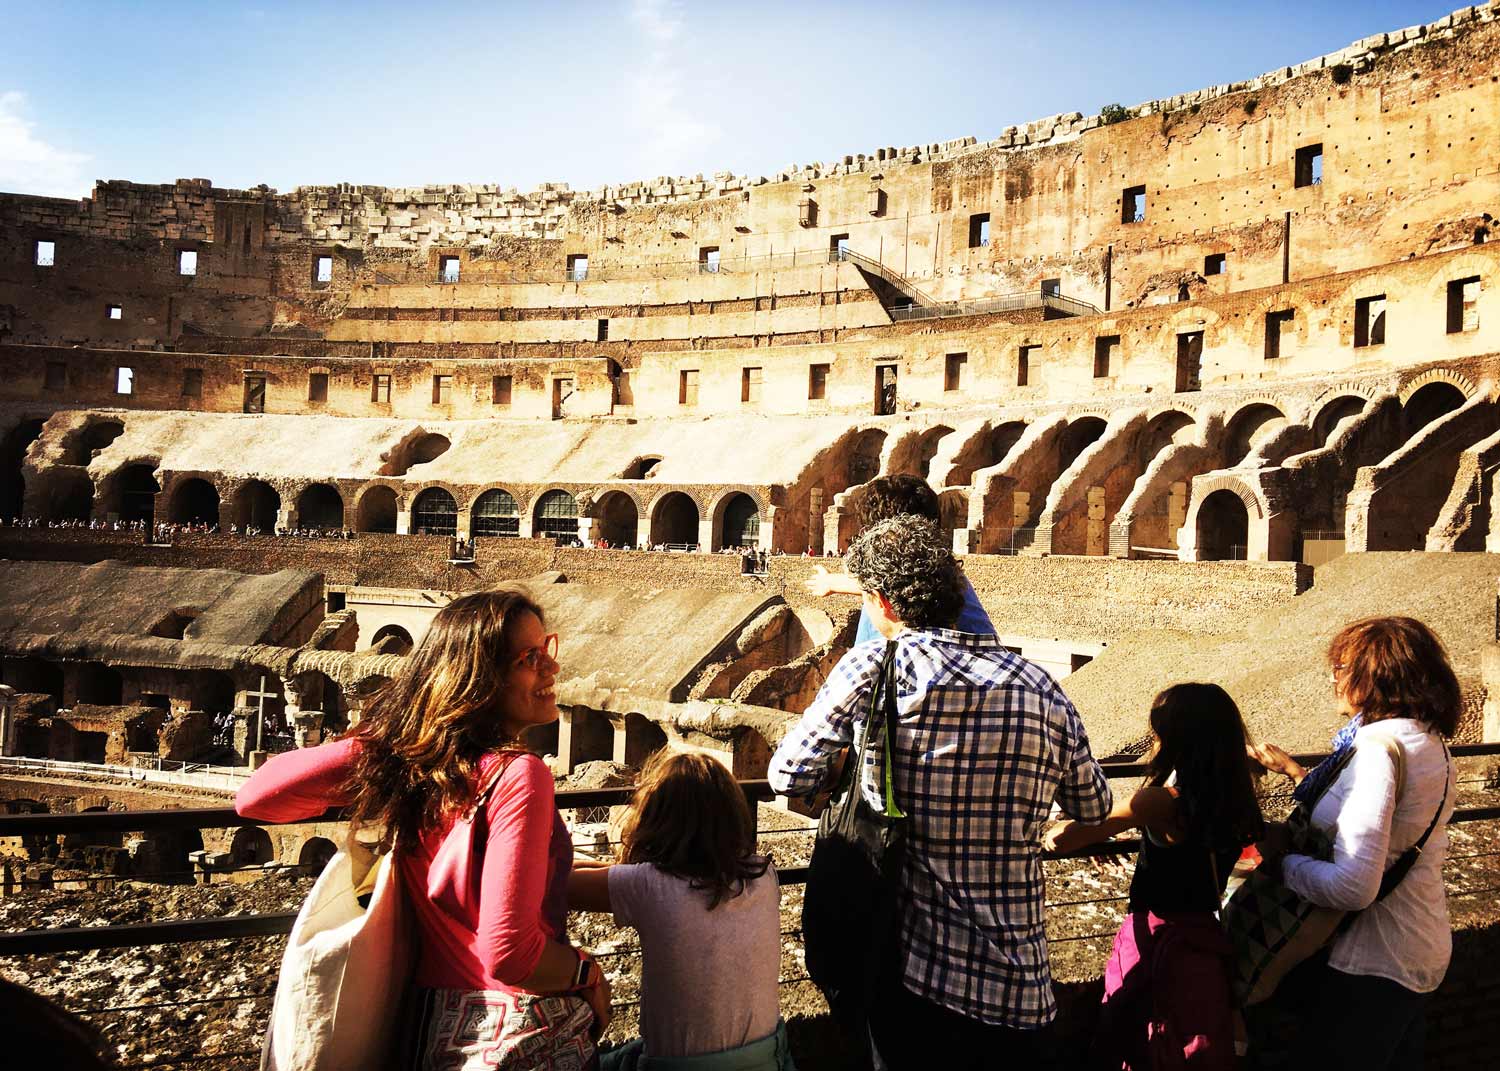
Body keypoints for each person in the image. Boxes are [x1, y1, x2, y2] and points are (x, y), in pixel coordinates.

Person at [769, 515, 1111, 1068]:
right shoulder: (1038, 684)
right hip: (1023, 985)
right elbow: (1092, 805)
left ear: (882, 600)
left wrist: (852, 768)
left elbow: (789, 774)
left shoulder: (877, 663)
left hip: (919, 978)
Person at [236, 587, 610, 1070]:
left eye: (547, 649)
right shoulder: (520, 775)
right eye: (529, 659)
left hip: (430, 1026)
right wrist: (587, 971)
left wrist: (383, 745)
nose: (551, 668)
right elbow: (511, 955)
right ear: (479, 679)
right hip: (520, 1032)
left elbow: (257, 795)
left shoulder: (413, 766)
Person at [1248, 616, 1458, 1071]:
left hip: (1372, 962)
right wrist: (1298, 775)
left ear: (1376, 674)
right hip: (1414, 946)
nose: (1333, 678)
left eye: (1342, 667)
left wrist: (1281, 861)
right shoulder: (1427, 741)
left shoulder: (1378, 750)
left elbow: (1352, 888)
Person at [1045, 683, 1264, 1070]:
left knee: (1132, 1033)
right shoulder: (1237, 795)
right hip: (1205, 941)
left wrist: (1050, 833)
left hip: (1155, 936)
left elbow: (1077, 835)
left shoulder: (1161, 802)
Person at [569, 751, 793, 1071]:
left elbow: (558, 881)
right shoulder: (762, 875)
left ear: (656, 819)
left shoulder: (649, 885)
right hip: (768, 1058)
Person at [803, 474, 994, 643]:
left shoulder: (891, 592)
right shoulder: (951, 578)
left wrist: (830, 581)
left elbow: (887, 582)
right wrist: (831, 582)